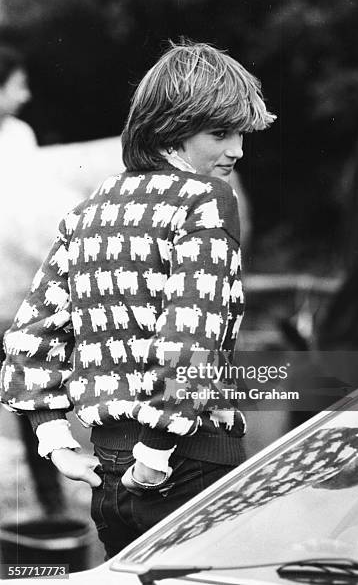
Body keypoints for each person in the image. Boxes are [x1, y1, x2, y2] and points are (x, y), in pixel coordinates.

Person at [0, 40, 276, 557]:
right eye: (220, 132)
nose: (237, 150)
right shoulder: (207, 199)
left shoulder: (95, 205)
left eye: (240, 133)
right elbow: (192, 333)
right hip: (187, 463)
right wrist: (156, 453)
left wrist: (56, 441)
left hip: (106, 475)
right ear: (171, 126)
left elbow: (31, 335)